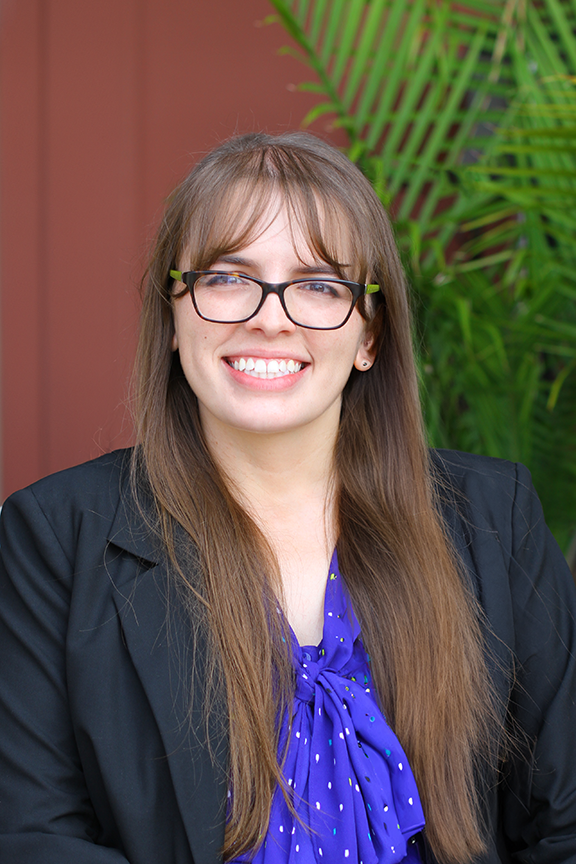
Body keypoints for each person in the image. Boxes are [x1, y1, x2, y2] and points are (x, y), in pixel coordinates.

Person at [0, 132, 575, 864]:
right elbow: (32, 838)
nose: (271, 317)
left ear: (370, 333)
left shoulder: (498, 521)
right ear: (174, 316)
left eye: (320, 286)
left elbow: (565, 824)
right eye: (228, 277)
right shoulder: (52, 538)